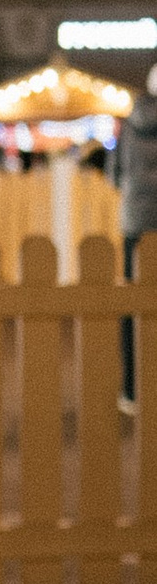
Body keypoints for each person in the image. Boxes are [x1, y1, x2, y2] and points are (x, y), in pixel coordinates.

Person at [120, 61, 157, 409]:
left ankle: (132, 388)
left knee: (132, 304)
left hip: (136, 222)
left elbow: (115, 172)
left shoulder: (131, 122)